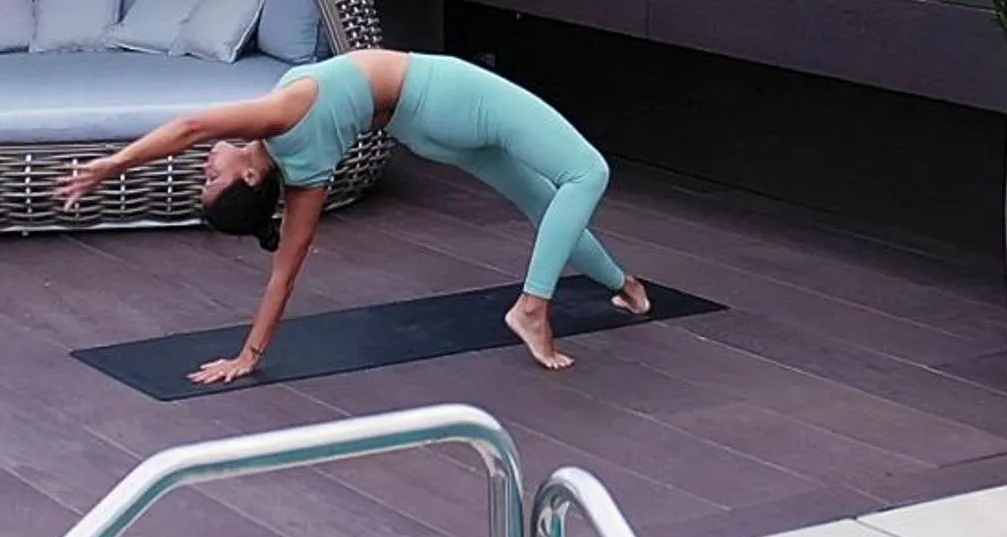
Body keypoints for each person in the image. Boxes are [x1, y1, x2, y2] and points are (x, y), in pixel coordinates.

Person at [56, 49, 647, 382]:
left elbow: (284, 277)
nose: (206, 165)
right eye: (213, 178)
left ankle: (623, 286)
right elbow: (189, 129)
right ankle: (533, 305)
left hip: (421, 131)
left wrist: (250, 356)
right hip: (445, 96)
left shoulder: (305, 177)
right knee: (586, 173)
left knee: (544, 204)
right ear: (251, 175)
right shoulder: (280, 117)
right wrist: (113, 164)